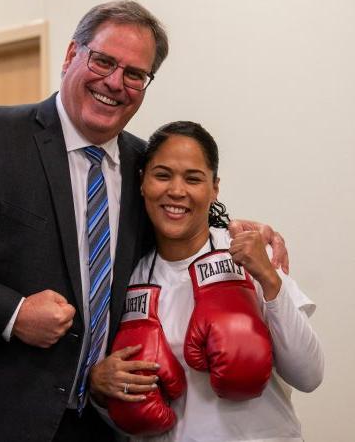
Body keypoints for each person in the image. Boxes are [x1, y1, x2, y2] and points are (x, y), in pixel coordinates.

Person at [0, 1, 288, 442]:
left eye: (135, 74)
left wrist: (234, 230)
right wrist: (13, 314)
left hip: (90, 423)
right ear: (71, 55)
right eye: (103, 60)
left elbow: (178, 213)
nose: (115, 82)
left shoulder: (141, 164)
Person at [89, 121, 324, 442]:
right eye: (162, 174)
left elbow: (309, 375)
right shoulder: (128, 278)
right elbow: (121, 413)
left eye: (193, 178)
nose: (176, 190)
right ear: (142, 182)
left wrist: (269, 278)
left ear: (214, 188)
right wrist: (101, 388)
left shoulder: (248, 255)